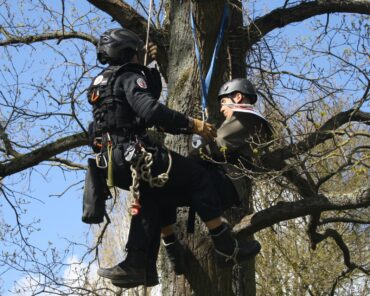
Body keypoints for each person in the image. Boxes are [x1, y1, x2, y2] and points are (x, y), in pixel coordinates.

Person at [87, 28, 261, 288]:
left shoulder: (102, 82)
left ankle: (140, 265)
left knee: (154, 196)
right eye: (137, 54)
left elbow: (138, 102)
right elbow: (149, 109)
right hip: (134, 155)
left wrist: (152, 68)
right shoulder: (129, 76)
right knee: (197, 175)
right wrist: (192, 124)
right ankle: (225, 245)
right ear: (128, 52)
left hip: (111, 161)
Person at [112, 78, 272, 288]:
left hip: (224, 181)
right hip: (216, 178)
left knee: (169, 181)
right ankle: (155, 259)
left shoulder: (248, 118)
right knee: (154, 192)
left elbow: (220, 144)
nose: (222, 108)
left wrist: (200, 142)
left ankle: (224, 246)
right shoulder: (243, 121)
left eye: (223, 102)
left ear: (238, 97)